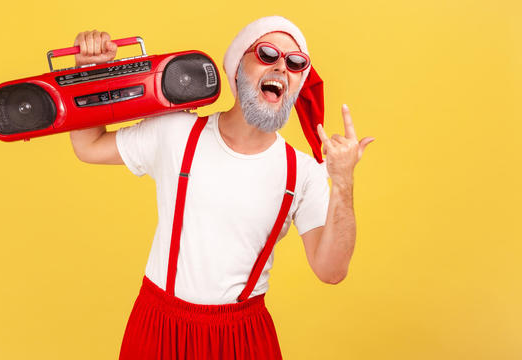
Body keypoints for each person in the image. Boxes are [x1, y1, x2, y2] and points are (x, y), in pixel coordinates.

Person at [69, 15, 374, 360]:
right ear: (236, 67)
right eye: (267, 54)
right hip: (159, 327)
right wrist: (89, 76)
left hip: (242, 338)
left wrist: (344, 181)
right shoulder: (175, 131)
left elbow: (331, 271)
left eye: (294, 63)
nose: (280, 68)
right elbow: (89, 146)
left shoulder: (303, 173)